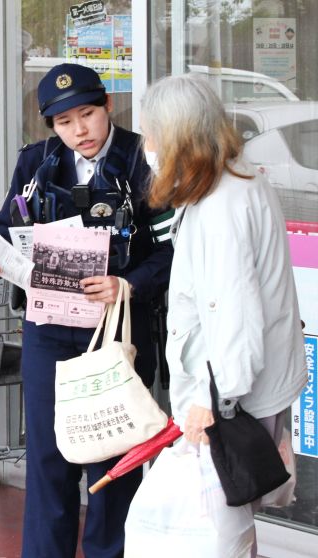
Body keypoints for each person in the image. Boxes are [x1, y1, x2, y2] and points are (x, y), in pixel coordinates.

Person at [0, 63, 173, 557]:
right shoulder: (36, 163)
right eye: (64, 122)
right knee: (48, 458)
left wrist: (127, 283)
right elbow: (6, 226)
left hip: (116, 331)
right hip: (48, 330)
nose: (78, 130)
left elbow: (172, 250)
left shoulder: (142, 161)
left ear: (108, 106)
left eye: (87, 114)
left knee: (112, 461)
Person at [140, 73, 306, 552]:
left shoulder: (220, 206)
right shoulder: (234, 178)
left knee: (221, 524)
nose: (147, 145)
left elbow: (230, 309)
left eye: (152, 134)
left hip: (231, 392)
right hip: (244, 384)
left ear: (176, 138)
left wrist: (213, 404)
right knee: (228, 519)